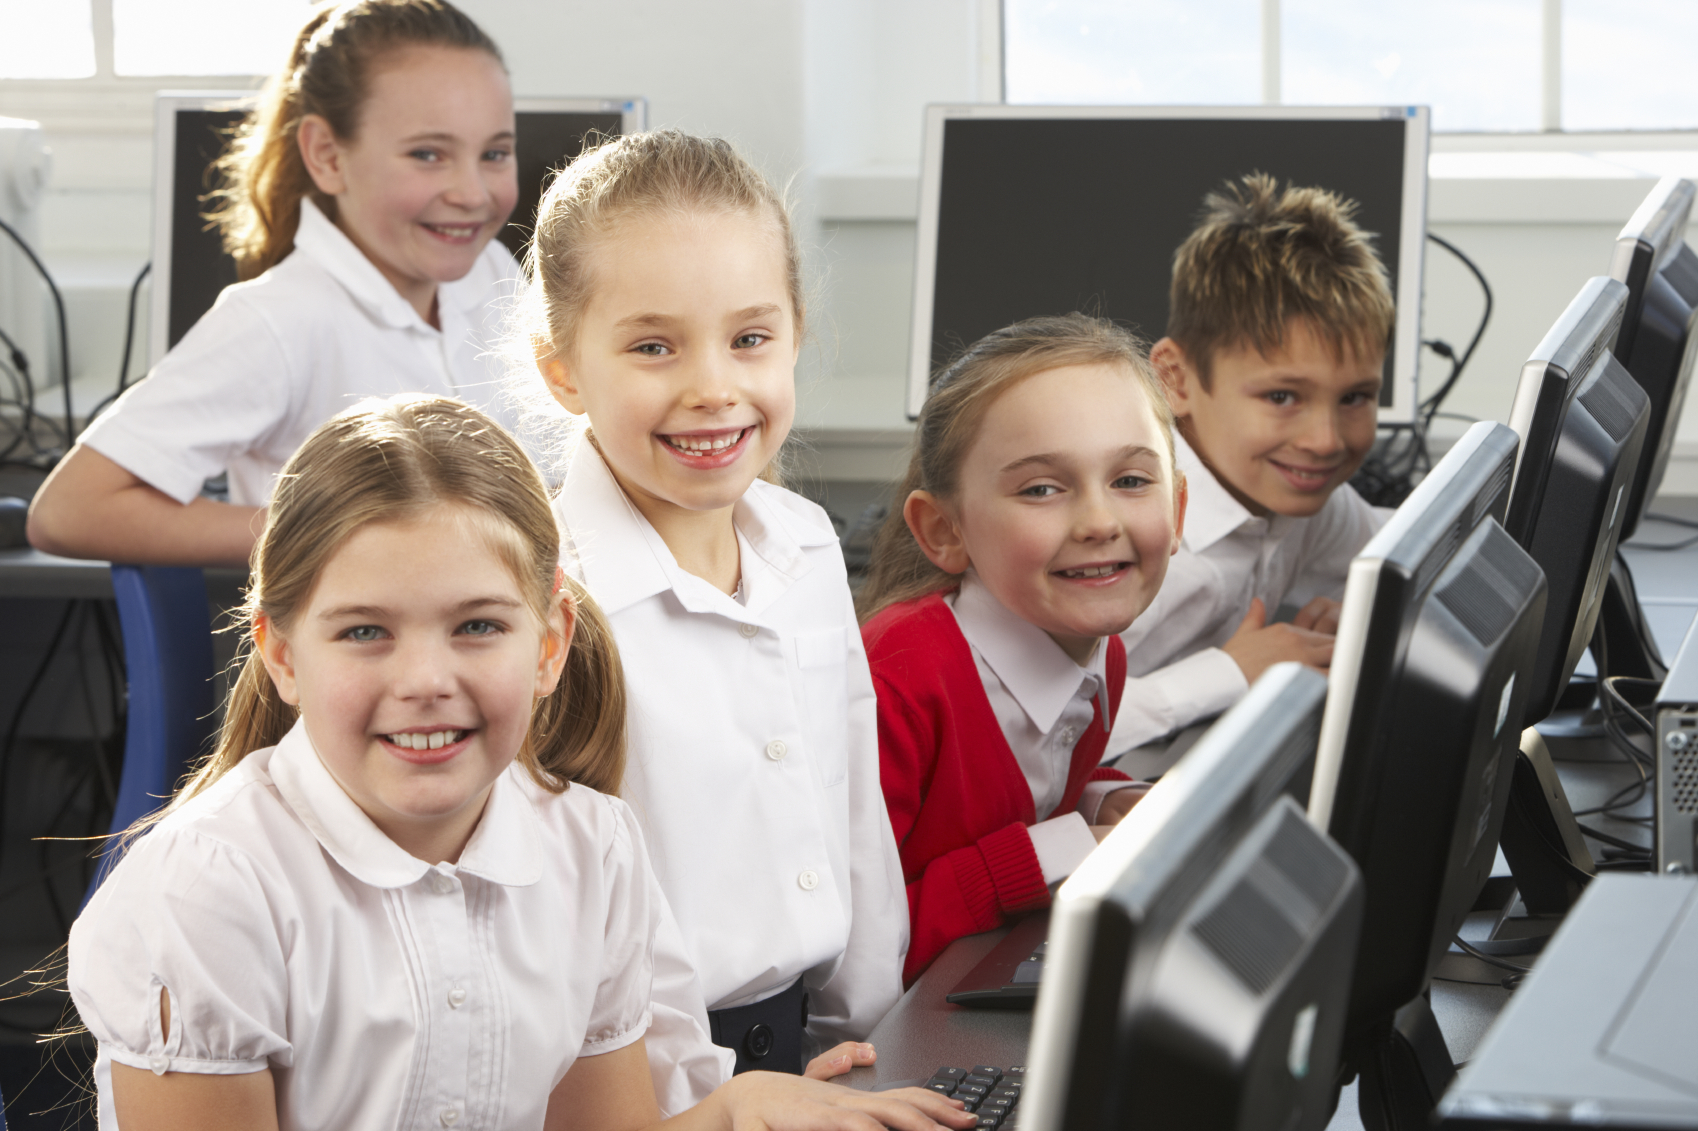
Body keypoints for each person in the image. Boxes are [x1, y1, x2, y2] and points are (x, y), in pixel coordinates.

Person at [66, 395, 971, 1131]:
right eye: (366, 632)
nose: (427, 680)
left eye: (477, 625)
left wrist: (735, 1110)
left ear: (549, 644)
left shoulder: (592, 848)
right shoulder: (209, 889)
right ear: (282, 654)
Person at [524, 130, 908, 1077]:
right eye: (654, 346)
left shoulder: (807, 545)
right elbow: (558, 925)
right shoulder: (548, 604)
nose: (713, 388)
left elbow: (854, 819)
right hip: (643, 1081)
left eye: (749, 339)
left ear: (795, 333)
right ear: (561, 368)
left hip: (812, 1053)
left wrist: (871, 1045)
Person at [29, 0, 529, 567]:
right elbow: (68, 510)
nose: (472, 193)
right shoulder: (281, 319)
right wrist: (335, 533)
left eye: (495, 154)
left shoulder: (492, 273)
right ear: (327, 156)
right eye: (427, 154)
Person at [856, 314, 1184, 981]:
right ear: (944, 530)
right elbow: (849, 959)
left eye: (1130, 480)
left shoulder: (1099, 651)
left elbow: (1024, 803)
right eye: (1041, 489)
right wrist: (1048, 856)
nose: (1099, 522)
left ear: (1178, 511)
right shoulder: (896, 683)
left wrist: (1098, 802)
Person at [1107, 172, 1395, 758]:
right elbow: (1027, 741)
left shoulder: (1291, 491)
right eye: (1282, 397)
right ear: (1176, 380)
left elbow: (1409, 548)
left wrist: (1374, 610)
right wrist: (1231, 673)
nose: (1324, 441)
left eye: (1355, 398)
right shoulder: (1121, 539)